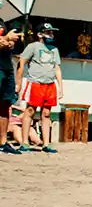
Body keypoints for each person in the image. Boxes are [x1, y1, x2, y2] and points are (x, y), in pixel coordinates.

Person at [16, 22, 63, 153]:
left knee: (46, 113)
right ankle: (25, 142)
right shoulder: (33, 47)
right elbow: (22, 62)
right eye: (48, 32)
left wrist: (60, 87)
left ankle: (46, 143)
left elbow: (57, 68)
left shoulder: (54, 50)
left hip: (50, 85)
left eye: (52, 32)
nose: (51, 35)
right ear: (40, 34)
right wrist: (18, 82)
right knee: (30, 110)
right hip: (35, 83)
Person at [0, 18, 22, 154]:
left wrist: (9, 43)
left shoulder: (2, 21)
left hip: (6, 66)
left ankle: (2, 142)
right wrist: (6, 38)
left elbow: (6, 43)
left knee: (4, 104)